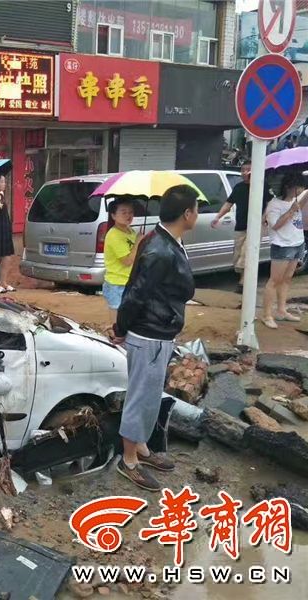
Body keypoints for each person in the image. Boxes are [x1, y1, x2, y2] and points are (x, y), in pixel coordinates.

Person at [111, 184, 199, 492]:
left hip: (160, 331)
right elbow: (136, 294)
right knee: (140, 398)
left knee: (149, 396)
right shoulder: (159, 249)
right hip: (148, 334)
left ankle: (143, 448)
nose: (197, 214)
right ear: (187, 213)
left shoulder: (167, 241)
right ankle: (129, 460)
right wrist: (120, 328)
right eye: (196, 209)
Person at [211, 162, 271, 294]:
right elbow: (228, 204)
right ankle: (243, 280)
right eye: (243, 170)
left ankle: (243, 284)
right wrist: (217, 217)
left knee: (246, 254)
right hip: (240, 226)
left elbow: (269, 203)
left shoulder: (262, 186)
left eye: (248, 170)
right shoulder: (238, 187)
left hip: (256, 227)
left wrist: (264, 218)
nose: (245, 173)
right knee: (238, 256)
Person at [260, 173, 307, 329]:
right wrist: (291, 211)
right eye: (297, 187)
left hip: (297, 242)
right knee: (275, 280)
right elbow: (275, 225)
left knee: (287, 279)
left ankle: (281, 310)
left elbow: (304, 199)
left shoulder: (296, 200)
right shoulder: (274, 205)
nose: (300, 190)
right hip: (282, 245)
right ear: (288, 187)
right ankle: (266, 315)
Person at [102, 198, 138, 321]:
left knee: (129, 316)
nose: (128, 215)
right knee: (117, 320)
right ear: (113, 215)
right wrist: (138, 243)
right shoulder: (113, 235)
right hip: (117, 283)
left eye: (131, 212)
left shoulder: (131, 231)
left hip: (130, 281)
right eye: (124, 212)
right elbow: (127, 261)